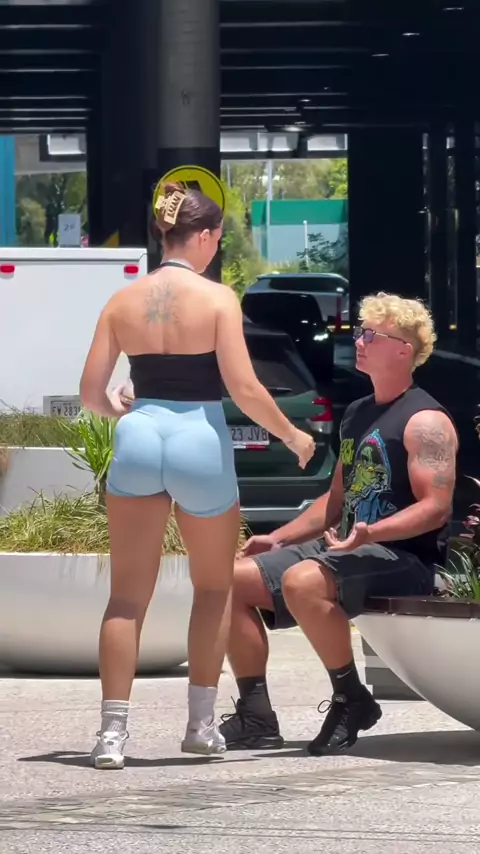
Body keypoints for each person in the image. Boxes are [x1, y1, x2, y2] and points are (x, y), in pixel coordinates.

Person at [79, 182, 314, 769]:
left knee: (126, 597)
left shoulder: (122, 301)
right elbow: (244, 388)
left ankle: (111, 736)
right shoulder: (218, 299)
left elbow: (90, 395)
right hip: (198, 439)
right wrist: (293, 436)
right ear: (205, 237)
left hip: (139, 435)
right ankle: (201, 726)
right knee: (213, 587)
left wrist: (124, 411)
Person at [218, 292, 458, 756]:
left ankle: (350, 697)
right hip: (348, 548)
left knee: (303, 580)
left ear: (404, 350)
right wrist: (277, 537)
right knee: (228, 582)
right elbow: (335, 500)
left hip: (404, 558)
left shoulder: (425, 421)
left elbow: (435, 508)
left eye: (371, 335)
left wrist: (372, 532)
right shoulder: (356, 413)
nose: (359, 341)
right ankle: (256, 716)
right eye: (361, 332)